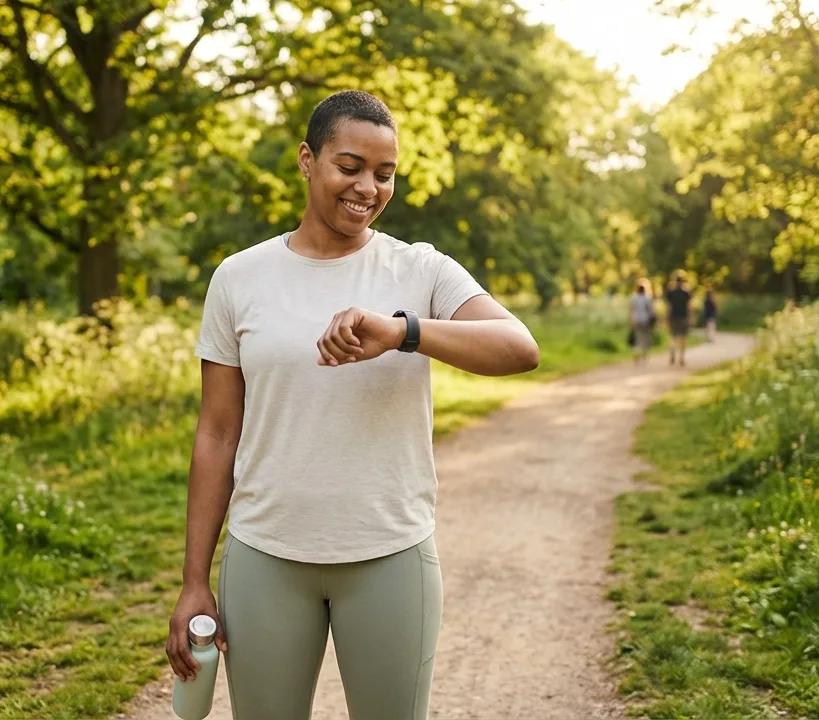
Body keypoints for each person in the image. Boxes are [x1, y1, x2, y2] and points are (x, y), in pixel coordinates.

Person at [165, 90, 541, 720]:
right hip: (266, 553)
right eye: (350, 166)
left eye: (385, 173)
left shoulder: (420, 270)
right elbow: (217, 433)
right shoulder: (239, 277)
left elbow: (519, 347)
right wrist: (194, 581)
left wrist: (403, 331)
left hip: (389, 552)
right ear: (307, 160)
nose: (368, 187)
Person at [665, 273, 692, 366]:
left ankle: (672, 353)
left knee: (673, 336)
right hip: (683, 316)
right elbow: (689, 306)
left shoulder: (671, 292)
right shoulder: (686, 293)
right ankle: (681, 357)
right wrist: (691, 317)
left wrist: (666, 317)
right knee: (683, 337)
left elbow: (668, 306)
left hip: (673, 316)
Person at [628, 278, 655, 365]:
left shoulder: (634, 298)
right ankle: (644, 356)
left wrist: (631, 321)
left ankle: (636, 353)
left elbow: (631, 310)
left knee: (637, 338)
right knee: (645, 339)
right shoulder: (648, 299)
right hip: (645, 321)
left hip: (636, 320)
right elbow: (651, 312)